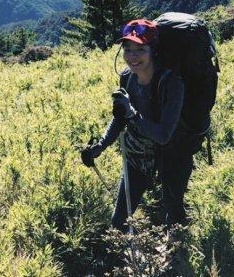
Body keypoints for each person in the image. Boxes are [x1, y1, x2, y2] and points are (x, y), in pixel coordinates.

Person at [80, 18, 195, 231]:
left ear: (153, 50)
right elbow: (120, 117)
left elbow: (163, 135)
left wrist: (132, 113)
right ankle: (128, 250)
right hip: (137, 156)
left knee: (174, 216)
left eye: (140, 49)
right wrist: (100, 146)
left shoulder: (172, 83)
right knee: (119, 222)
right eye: (127, 49)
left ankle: (175, 248)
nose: (132, 56)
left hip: (173, 154)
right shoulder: (127, 78)